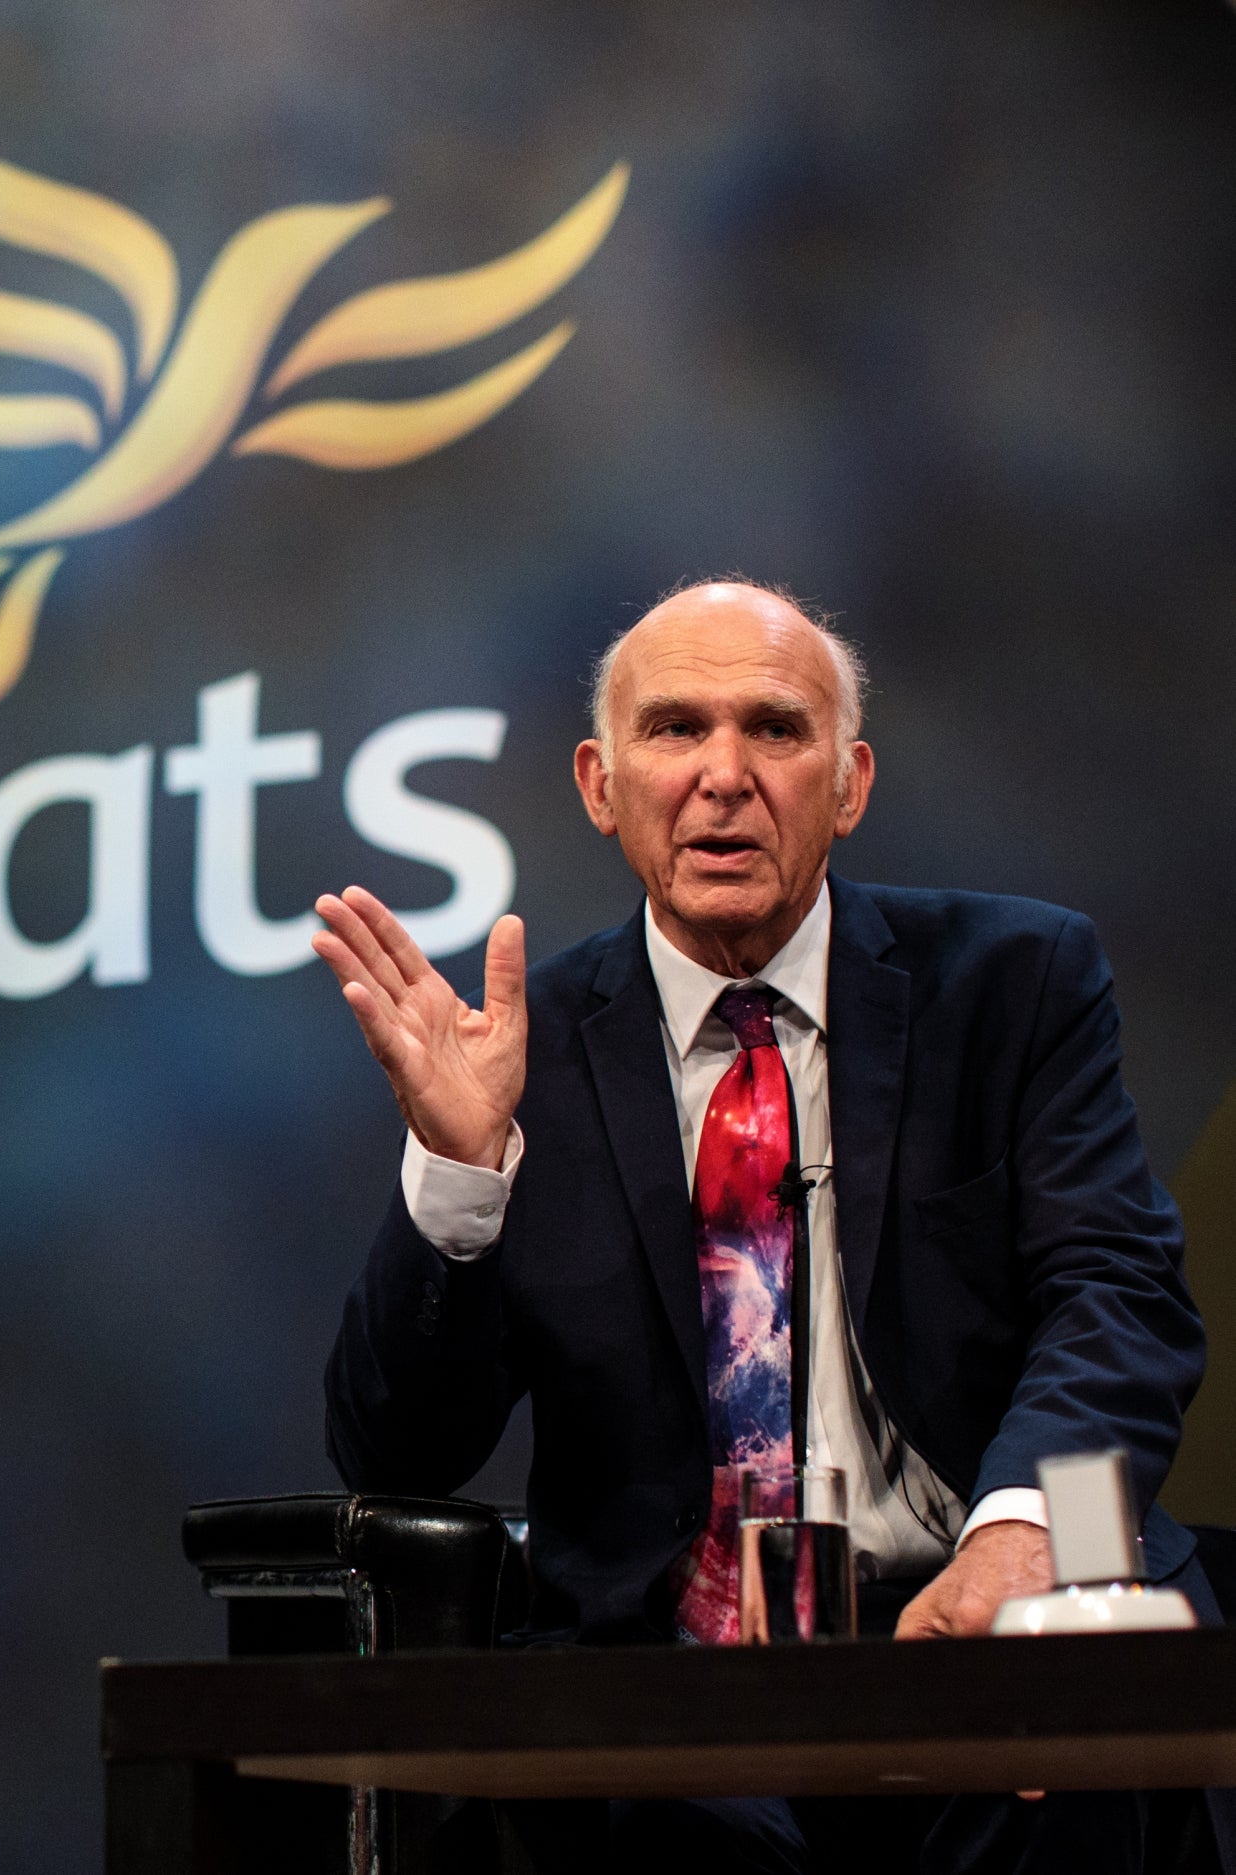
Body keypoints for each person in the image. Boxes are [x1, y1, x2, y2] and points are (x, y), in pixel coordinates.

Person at [315, 579, 1219, 1873]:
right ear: (598, 781)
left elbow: (1116, 1293)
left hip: (978, 1638)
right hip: (673, 1707)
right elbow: (395, 1451)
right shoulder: (529, 1057)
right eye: (675, 730)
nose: (723, 777)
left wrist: (1024, 1529)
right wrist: (460, 1173)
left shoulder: (1013, 986)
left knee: (1072, 1764)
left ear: (847, 785)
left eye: (775, 730)